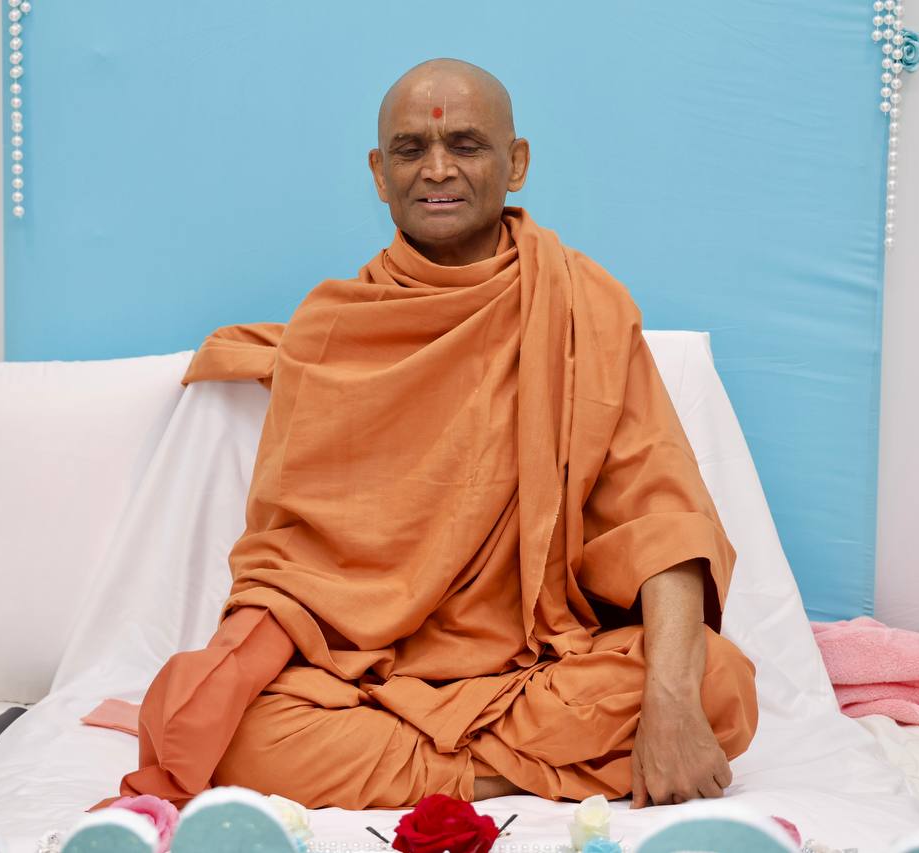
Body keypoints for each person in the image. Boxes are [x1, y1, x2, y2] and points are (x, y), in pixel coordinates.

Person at [106, 58, 758, 813]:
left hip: (539, 666)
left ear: (516, 163)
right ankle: (507, 774)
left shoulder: (584, 308)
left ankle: (439, 769)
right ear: (379, 174)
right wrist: (226, 677)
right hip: (370, 675)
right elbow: (289, 560)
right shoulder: (332, 330)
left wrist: (670, 703)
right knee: (235, 730)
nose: (438, 169)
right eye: (411, 149)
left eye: (467, 145)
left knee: (717, 683)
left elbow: (661, 519)